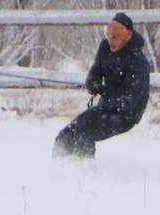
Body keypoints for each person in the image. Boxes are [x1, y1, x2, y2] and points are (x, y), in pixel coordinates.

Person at [52, 12, 150, 160]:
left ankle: (85, 172)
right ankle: (58, 168)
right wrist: (94, 85)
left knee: (84, 131)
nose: (111, 41)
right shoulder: (105, 48)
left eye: (115, 37)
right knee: (65, 135)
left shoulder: (138, 61)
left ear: (125, 38)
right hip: (105, 107)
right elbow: (94, 74)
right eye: (109, 36)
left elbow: (132, 101)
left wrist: (110, 99)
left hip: (126, 115)